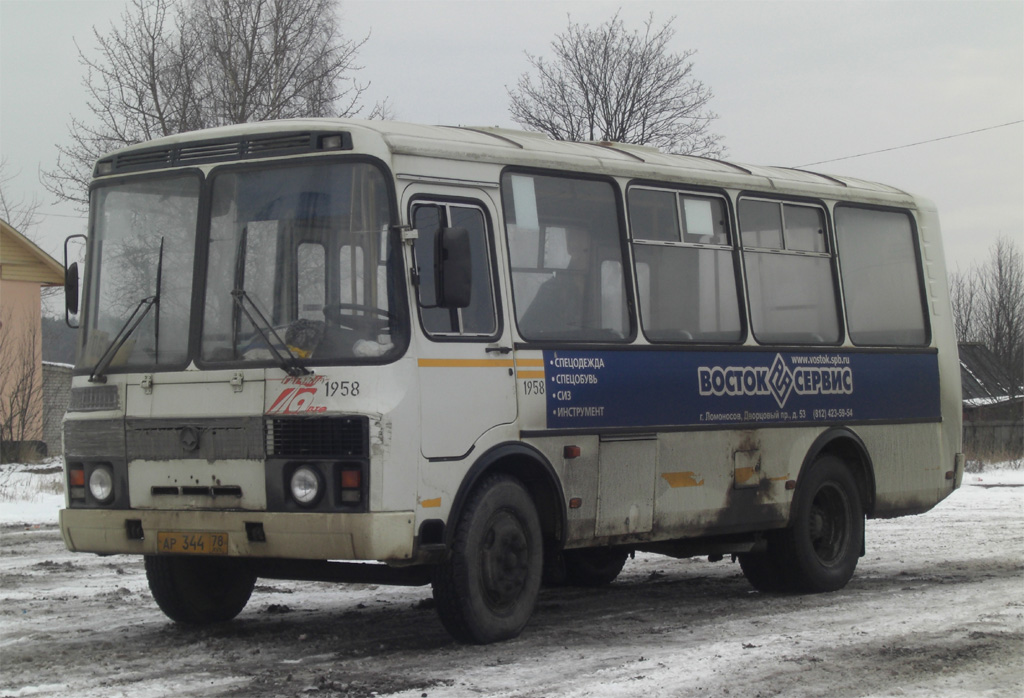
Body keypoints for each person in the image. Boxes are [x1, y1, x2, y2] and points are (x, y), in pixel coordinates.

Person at [518, 227, 591, 336]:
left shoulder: (598, 289)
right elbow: (526, 330)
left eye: (585, 250)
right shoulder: (551, 290)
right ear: (570, 249)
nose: (580, 256)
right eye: (576, 249)